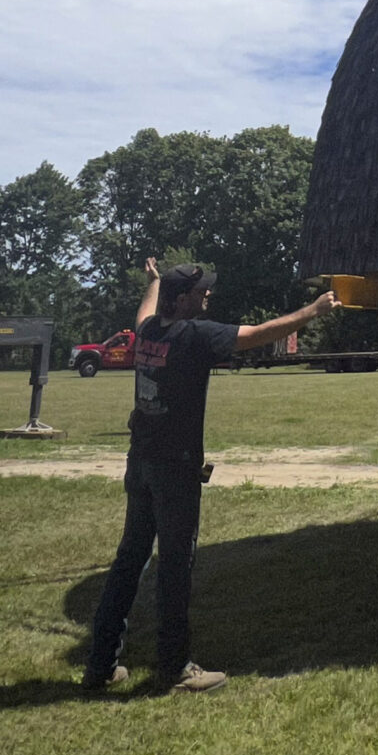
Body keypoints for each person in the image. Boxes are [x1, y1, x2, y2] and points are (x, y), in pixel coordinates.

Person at [83, 260, 337, 694]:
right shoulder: (192, 336)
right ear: (181, 301)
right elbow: (257, 334)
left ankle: (101, 666)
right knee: (175, 568)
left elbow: (142, 313)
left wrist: (154, 282)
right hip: (175, 469)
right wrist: (311, 312)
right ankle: (176, 668)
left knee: (129, 561)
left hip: (140, 461)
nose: (207, 296)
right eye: (201, 291)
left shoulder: (149, 334)